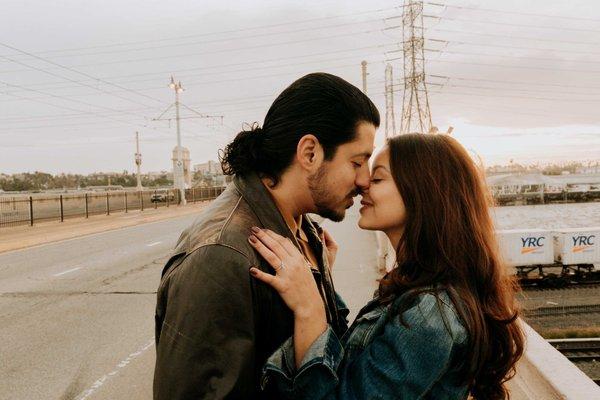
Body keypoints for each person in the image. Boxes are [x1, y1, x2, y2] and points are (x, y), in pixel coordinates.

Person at [153, 72, 380, 399]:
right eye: (357, 162)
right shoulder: (221, 256)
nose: (365, 180)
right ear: (310, 153)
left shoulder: (302, 229)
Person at [249, 133, 525, 399]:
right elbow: (352, 365)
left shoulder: (430, 314)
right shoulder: (415, 284)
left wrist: (309, 309)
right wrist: (320, 284)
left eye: (378, 177)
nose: (363, 183)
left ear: (423, 193)